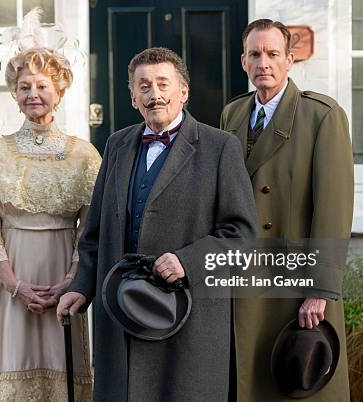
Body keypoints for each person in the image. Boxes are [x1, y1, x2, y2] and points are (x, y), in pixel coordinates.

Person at [57, 47, 258, 401]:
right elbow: (95, 234)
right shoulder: (117, 144)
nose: (155, 95)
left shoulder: (220, 147)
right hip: (120, 313)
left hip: (186, 316)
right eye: (144, 86)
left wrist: (188, 261)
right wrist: (81, 286)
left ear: (184, 92)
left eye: (163, 84)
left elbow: (242, 234)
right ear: (133, 97)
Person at [220, 19, 354, 401]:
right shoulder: (232, 115)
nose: (264, 62)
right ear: (243, 61)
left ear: (289, 60)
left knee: (295, 386)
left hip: (296, 284)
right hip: (243, 277)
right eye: (255, 54)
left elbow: (334, 209)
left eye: (273, 54)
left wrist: (320, 289)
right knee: (250, 380)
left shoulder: (322, 116)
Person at [0, 47, 101, 402]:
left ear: (58, 91)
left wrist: (73, 279)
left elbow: (90, 229)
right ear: (15, 94)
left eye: (41, 86)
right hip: (11, 280)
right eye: (24, 87)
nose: (33, 95)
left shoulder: (83, 155)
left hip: (64, 279)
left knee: (64, 370)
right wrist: (15, 286)